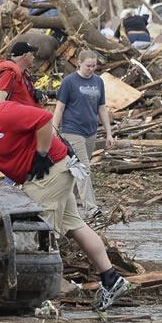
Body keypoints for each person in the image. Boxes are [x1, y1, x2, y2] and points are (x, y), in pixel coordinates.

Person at [0, 92, 131, 310]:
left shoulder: (4, 113)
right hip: (43, 176)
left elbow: (43, 118)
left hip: (50, 171)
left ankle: (44, 299)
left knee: (38, 234)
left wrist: (41, 153)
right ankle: (112, 279)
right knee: (74, 225)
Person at [52, 50, 114, 217]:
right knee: (83, 168)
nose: (91, 69)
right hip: (72, 131)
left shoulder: (98, 82)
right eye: (88, 66)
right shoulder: (69, 82)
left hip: (90, 131)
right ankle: (91, 208)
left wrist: (109, 133)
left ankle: (63, 205)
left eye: (94, 66)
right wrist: (53, 129)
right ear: (78, 63)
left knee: (74, 170)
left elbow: (102, 108)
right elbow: (60, 108)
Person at [0, 41, 40, 106]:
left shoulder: (24, 74)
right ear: (25, 56)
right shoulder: (9, 73)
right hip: (20, 115)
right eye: (32, 54)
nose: (33, 57)